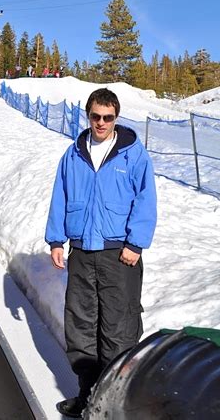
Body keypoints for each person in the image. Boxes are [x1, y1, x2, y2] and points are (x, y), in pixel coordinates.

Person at [45, 88, 157, 418]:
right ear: (88, 115)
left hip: (119, 254)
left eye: (108, 117)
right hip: (81, 250)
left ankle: (113, 404)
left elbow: (145, 200)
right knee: (80, 324)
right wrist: (56, 240)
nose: (101, 123)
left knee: (118, 328)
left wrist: (135, 244)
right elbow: (59, 197)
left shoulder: (133, 155)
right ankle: (87, 395)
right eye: (96, 116)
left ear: (116, 118)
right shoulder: (73, 154)